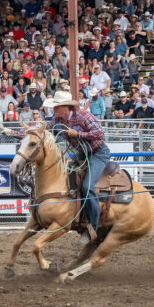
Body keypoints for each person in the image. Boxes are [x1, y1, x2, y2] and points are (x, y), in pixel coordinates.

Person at [43, 90, 109, 244]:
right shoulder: (57, 120)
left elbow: (100, 133)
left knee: (88, 186)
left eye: (55, 107)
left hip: (98, 153)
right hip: (81, 154)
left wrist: (78, 135)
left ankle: (93, 227)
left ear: (65, 108)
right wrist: (13, 132)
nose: (53, 110)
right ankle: (74, 217)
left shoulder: (83, 116)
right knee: (67, 181)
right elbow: (44, 131)